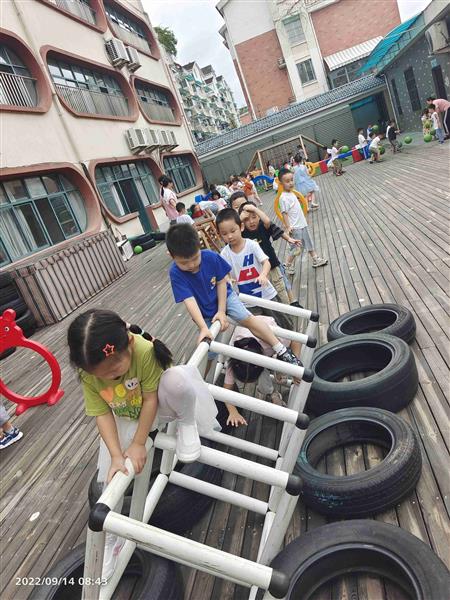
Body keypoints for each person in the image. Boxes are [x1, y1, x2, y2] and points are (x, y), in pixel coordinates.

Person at [67, 309, 218, 579]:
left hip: (161, 404)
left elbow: (150, 400)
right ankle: (111, 539)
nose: (109, 377)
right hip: (126, 414)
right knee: (109, 479)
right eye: (102, 375)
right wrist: (116, 455)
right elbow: (102, 414)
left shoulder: (144, 350)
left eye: (114, 370)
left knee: (178, 380)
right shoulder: (89, 372)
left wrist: (139, 443)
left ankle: (187, 424)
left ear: (129, 344)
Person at [166, 223, 301, 369]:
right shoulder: (176, 273)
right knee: (210, 349)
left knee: (248, 319)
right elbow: (189, 300)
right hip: (204, 311)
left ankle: (281, 349)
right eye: (184, 263)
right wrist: (203, 327)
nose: (192, 265)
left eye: (195, 258)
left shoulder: (211, 257)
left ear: (199, 248)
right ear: (171, 256)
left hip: (226, 296)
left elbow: (221, 283)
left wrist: (221, 311)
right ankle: (207, 378)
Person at [223, 316, 300, 426]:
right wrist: (232, 411)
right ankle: (272, 393)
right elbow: (226, 390)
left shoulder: (274, 340)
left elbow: (295, 340)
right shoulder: (235, 359)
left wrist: (295, 369)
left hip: (267, 330)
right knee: (264, 384)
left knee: (284, 361)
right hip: (250, 339)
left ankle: (276, 372)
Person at [239, 202, 302, 308]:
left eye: (254, 217)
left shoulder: (262, 226)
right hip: (258, 272)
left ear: (259, 216)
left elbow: (268, 222)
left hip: (272, 266)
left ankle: (288, 309)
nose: (251, 221)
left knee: (281, 290)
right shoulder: (242, 234)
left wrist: (255, 209)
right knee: (268, 297)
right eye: (246, 219)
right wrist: (240, 218)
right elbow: (234, 230)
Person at [278, 168, 327, 274]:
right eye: (287, 181)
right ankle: (287, 265)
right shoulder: (283, 197)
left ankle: (315, 259)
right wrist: (288, 227)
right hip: (295, 227)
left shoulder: (292, 193)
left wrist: (304, 220)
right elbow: (284, 213)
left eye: (292, 180)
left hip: (302, 224)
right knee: (296, 249)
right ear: (281, 183)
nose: (291, 183)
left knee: (309, 242)